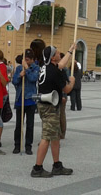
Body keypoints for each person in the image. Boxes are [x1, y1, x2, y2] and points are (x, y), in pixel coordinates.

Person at [31, 44, 76, 178]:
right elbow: (67, 89)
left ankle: (57, 165)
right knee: (46, 138)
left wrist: (70, 51)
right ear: (53, 57)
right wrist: (72, 82)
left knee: (55, 136)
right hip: (50, 107)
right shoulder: (54, 71)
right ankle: (37, 168)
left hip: (45, 104)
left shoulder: (45, 67)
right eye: (57, 53)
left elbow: (61, 64)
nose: (59, 54)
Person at [12, 49, 39, 155]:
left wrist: (27, 69)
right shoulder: (19, 68)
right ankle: (17, 145)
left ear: (32, 59)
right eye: (24, 59)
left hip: (31, 100)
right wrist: (20, 75)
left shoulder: (36, 68)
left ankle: (28, 146)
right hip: (20, 99)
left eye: (27, 59)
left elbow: (33, 79)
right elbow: (14, 81)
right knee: (18, 125)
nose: (25, 61)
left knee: (30, 125)